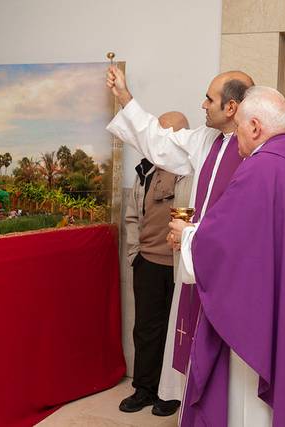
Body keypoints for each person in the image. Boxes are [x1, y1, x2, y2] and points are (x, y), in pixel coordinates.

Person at [168, 86, 285, 426]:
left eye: (237, 130)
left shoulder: (261, 169)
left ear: (254, 126)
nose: (235, 139)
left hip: (260, 322)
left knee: (248, 410)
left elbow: (224, 248)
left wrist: (187, 236)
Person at [106, 66, 254, 379]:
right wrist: (125, 97)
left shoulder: (257, 148)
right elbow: (159, 141)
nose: (202, 104)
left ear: (231, 107)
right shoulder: (206, 140)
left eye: (209, 99)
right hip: (198, 259)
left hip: (236, 271)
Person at [121, 111, 189, 416]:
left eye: (163, 135)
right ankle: (144, 389)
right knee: (146, 329)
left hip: (180, 266)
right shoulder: (145, 170)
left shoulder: (193, 170)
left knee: (178, 331)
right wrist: (135, 253)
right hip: (147, 262)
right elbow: (133, 216)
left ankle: (170, 394)